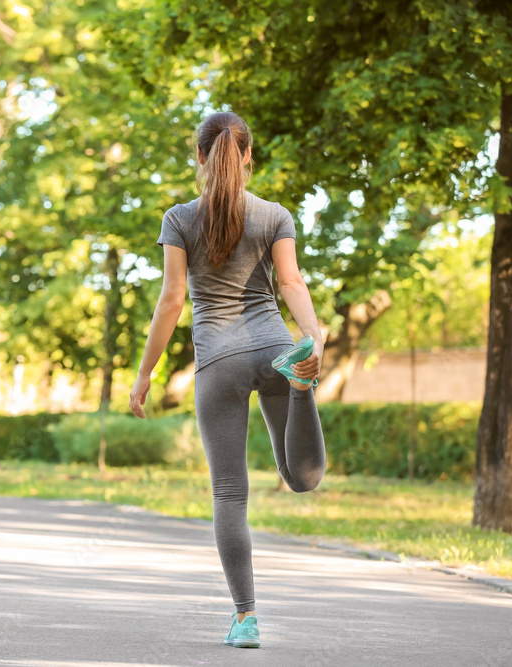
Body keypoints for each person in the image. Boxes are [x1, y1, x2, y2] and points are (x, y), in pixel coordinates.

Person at [128, 110, 327, 649]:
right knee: (302, 479)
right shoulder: (275, 215)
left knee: (230, 493)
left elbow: (171, 301)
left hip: (218, 361)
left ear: (199, 157)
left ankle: (245, 617)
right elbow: (291, 281)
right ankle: (302, 385)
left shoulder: (178, 219)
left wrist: (145, 374)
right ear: (248, 156)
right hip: (274, 347)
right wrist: (315, 336)